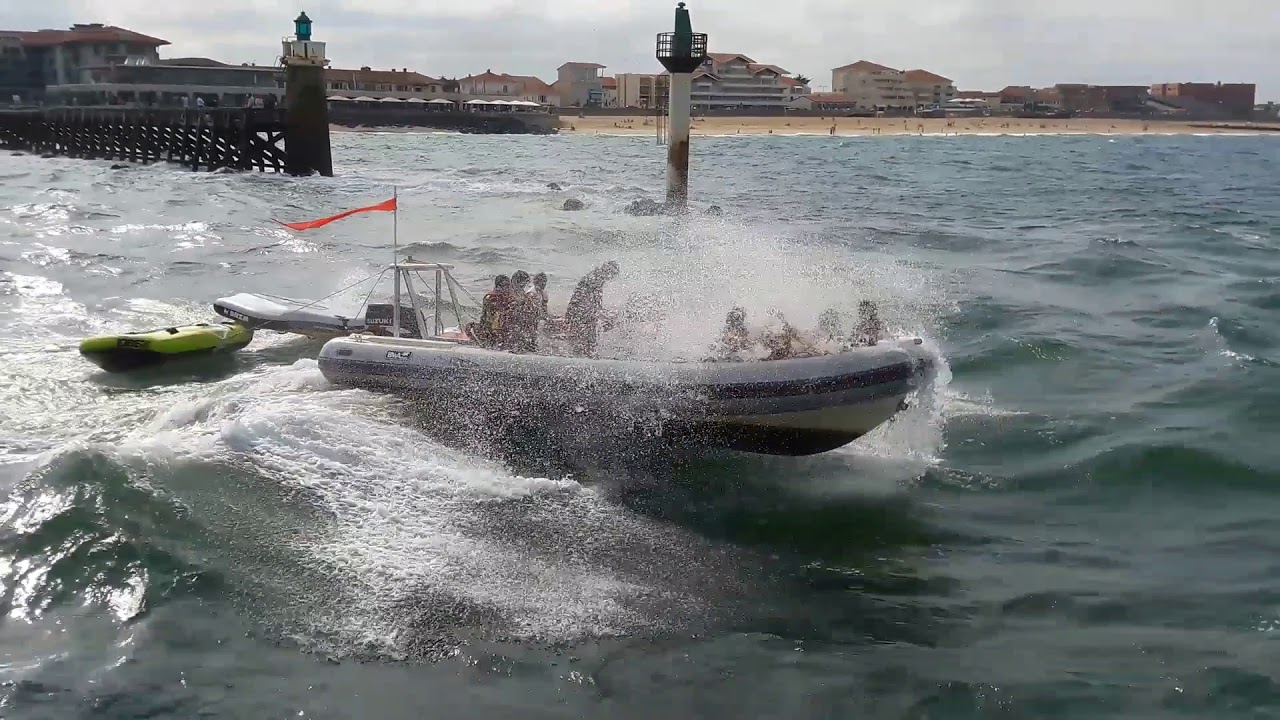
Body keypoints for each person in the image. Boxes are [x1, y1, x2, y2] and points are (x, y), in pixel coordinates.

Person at [564, 260, 619, 357]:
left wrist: (600, 312)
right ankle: (584, 356)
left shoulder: (596, 277)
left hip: (584, 311)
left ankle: (584, 354)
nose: (610, 278)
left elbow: (594, 299)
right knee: (586, 337)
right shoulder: (595, 278)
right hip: (582, 312)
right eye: (612, 275)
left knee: (587, 337)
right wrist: (571, 310)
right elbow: (580, 295)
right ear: (608, 271)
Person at [468, 275, 512, 348]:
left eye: (508, 286)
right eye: (506, 286)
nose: (508, 288)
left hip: (498, 328)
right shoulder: (493, 297)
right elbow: (488, 316)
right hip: (496, 330)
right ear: (499, 286)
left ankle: (484, 343)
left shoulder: (496, 297)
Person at [507, 270, 539, 352]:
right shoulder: (509, 291)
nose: (524, 285)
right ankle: (517, 345)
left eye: (525, 283)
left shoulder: (521, 292)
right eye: (523, 283)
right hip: (511, 320)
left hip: (522, 319)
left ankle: (529, 343)